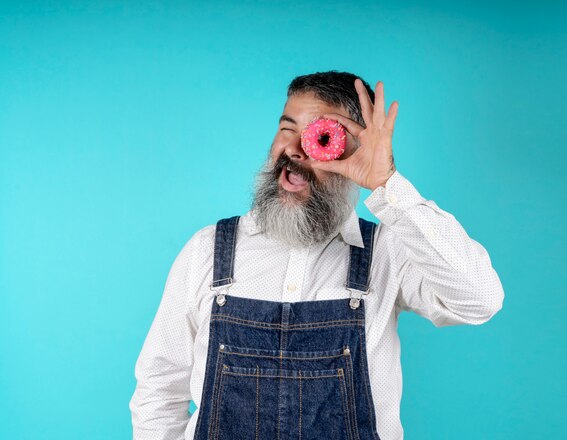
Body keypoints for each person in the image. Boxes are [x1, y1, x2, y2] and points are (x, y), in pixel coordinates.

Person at [129, 70, 505, 440]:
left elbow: (479, 300)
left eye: (320, 136)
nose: (293, 148)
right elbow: (160, 387)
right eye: (286, 128)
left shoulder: (387, 252)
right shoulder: (207, 250)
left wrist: (388, 184)